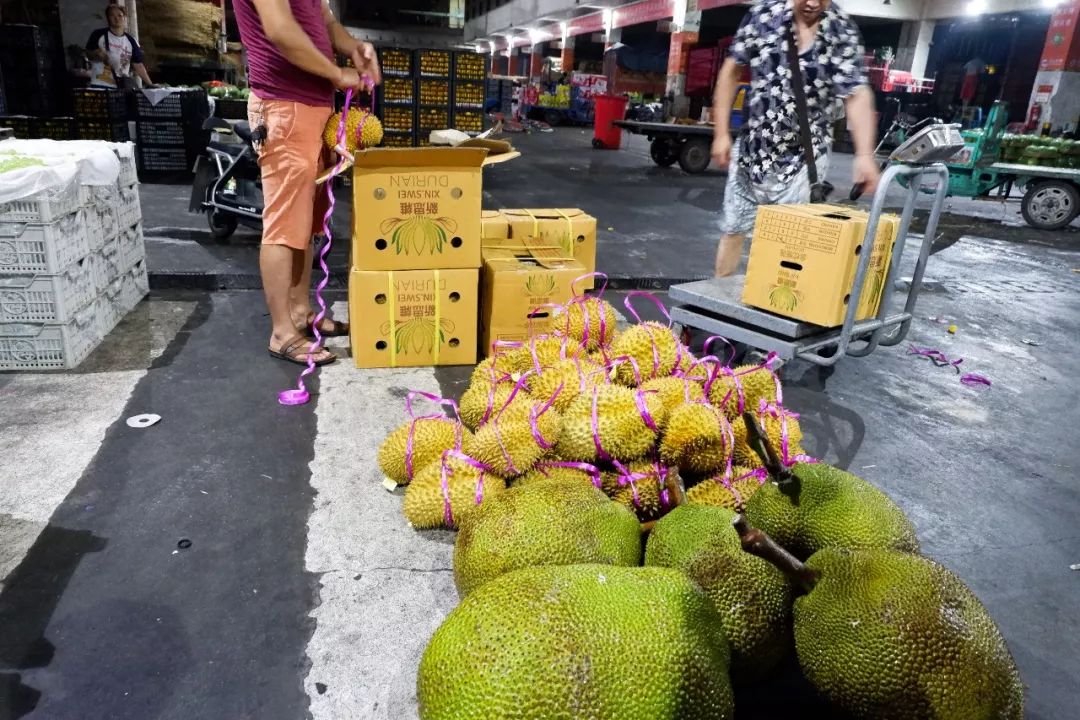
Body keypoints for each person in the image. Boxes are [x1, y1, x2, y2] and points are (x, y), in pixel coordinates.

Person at [233, 0, 381, 366]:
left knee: (307, 224)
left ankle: (300, 312)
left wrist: (354, 48)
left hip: (315, 108)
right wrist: (335, 72)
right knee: (285, 225)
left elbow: (325, 20)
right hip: (284, 106)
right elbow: (280, 29)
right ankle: (282, 331)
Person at [711, 0, 880, 277]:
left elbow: (857, 93)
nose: (813, 3)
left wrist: (864, 154)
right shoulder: (762, 16)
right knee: (733, 230)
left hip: (803, 161)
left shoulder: (841, 29)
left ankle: (769, 311)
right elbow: (731, 71)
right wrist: (720, 133)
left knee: (785, 246)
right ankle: (713, 307)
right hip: (751, 152)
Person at [86, 4, 152, 89]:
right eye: (112, 15)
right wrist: (96, 53)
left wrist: (150, 85)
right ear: (108, 18)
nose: (116, 18)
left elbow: (138, 65)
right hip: (100, 84)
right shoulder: (98, 34)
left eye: (120, 15)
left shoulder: (131, 41)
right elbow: (88, 53)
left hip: (121, 86)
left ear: (125, 18)